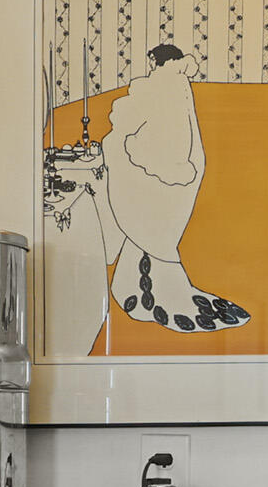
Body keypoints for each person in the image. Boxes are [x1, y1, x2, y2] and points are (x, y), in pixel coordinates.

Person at [102, 43, 248, 333]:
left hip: (164, 174)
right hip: (170, 173)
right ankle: (139, 291)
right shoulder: (174, 85)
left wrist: (129, 150)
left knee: (151, 227)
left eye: (153, 60)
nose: (152, 65)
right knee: (150, 229)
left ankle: (147, 294)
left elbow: (169, 135)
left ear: (161, 61)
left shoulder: (166, 86)